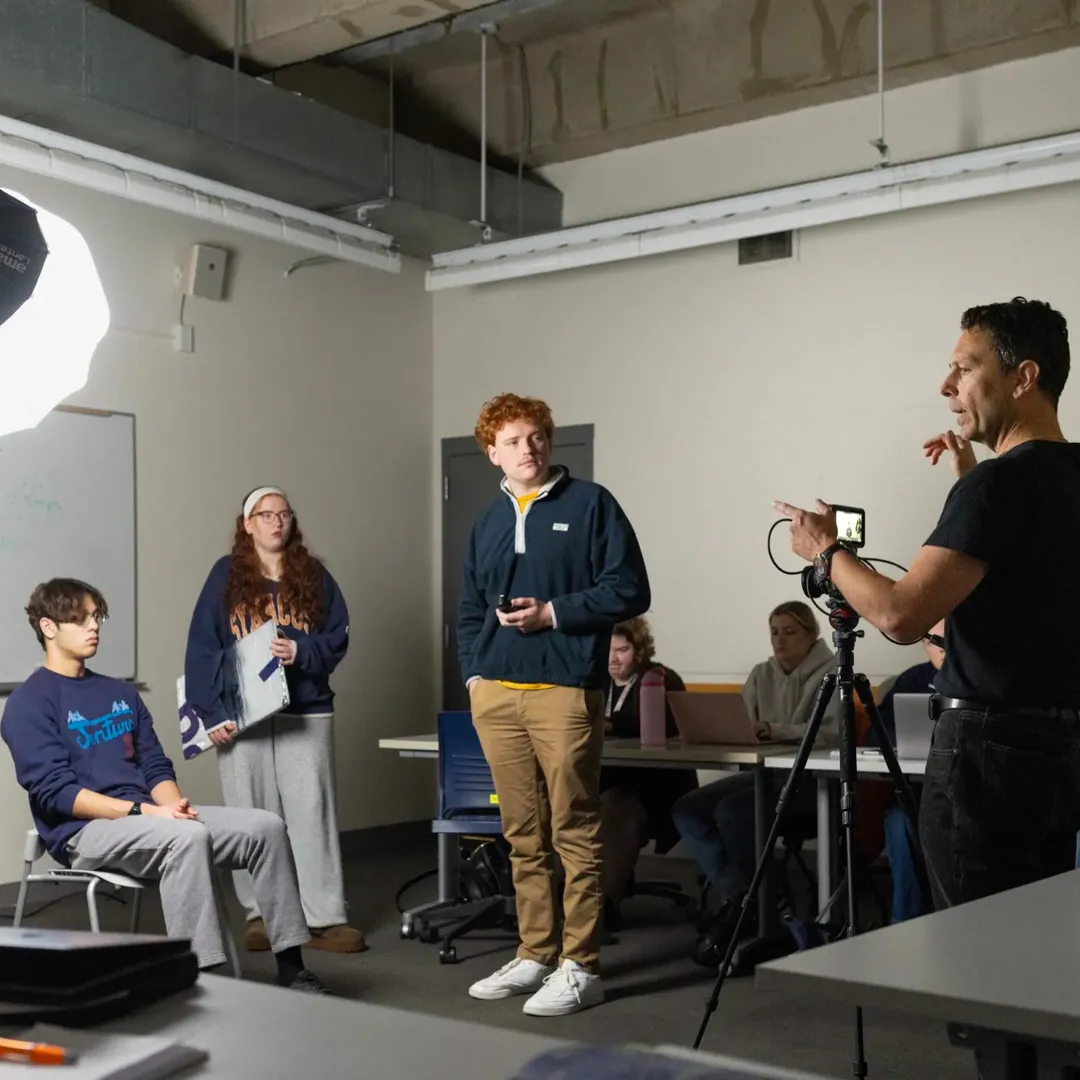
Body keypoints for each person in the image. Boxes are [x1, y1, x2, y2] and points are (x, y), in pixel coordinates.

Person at [776, 297, 1080, 910]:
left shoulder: (999, 486)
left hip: (987, 756)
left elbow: (898, 614)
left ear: (1024, 377)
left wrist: (827, 550)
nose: (946, 386)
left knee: (976, 956)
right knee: (1037, 949)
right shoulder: (1047, 480)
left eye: (964, 368)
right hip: (1063, 756)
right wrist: (968, 482)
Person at [1, 578, 328, 993]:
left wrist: (174, 807)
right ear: (48, 627)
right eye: (79, 618)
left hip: (151, 817)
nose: (93, 626)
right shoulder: (28, 703)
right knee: (186, 838)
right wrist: (151, 814)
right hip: (83, 831)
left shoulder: (119, 692)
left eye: (95, 617)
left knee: (265, 826)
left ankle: (292, 967)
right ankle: (206, 982)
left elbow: (154, 765)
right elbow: (59, 794)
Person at [458, 393, 650, 1017]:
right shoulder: (486, 522)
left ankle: (580, 964)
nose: (528, 448)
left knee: (574, 826)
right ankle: (535, 953)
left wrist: (553, 613)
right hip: (496, 693)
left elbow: (630, 588)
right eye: (513, 440)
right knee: (521, 832)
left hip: (566, 689)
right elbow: (467, 609)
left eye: (537, 436)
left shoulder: (592, 504)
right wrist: (473, 676)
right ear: (493, 453)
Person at [185, 486, 362, 954]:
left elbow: (339, 635)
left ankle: (324, 917)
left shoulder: (313, 573)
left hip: (306, 709)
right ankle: (262, 913)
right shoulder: (225, 577)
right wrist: (211, 713)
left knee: (312, 813)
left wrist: (301, 650)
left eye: (283, 514)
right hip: (245, 715)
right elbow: (202, 647)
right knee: (253, 815)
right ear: (247, 524)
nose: (276, 522)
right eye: (265, 515)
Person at [672, 601, 837, 966]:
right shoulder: (761, 674)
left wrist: (774, 730)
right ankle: (750, 899)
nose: (780, 640)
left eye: (790, 632)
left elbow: (833, 732)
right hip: (762, 774)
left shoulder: (835, 673)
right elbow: (742, 723)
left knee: (734, 811)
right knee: (688, 809)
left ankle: (757, 908)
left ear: (812, 636)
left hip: (811, 780)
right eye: (774, 632)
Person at [598, 616, 696, 921]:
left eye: (622, 650)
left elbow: (666, 723)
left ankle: (604, 906)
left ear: (639, 650)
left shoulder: (662, 678)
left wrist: (611, 725)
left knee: (615, 806)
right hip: (605, 779)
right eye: (608, 650)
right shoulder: (595, 682)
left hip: (656, 786)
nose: (613, 658)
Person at [866, 623, 944, 923]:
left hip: (974, 790)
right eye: (934, 641)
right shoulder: (913, 679)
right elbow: (876, 732)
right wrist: (908, 738)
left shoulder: (982, 679)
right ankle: (907, 924)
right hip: (919, 791)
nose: (941, 648)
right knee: (899, 820)